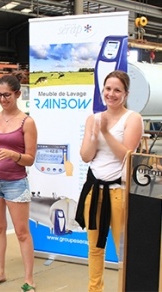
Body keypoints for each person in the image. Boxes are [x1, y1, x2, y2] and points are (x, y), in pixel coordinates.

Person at [77, 70, 143, 292]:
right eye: (107, 89)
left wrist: (105, 132)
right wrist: (95, 134)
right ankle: (94, 289)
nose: (111, 94)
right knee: (95, 247)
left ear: (125, 93)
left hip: (119, 193)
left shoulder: (132, 118)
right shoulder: (93, 118)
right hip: (94, 191)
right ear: (102, 90)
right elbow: (86, 156)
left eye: (117, 90)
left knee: (124, 251)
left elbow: (127, 155)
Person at [0, 74, 38, 291]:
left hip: (15, 182)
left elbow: (30, 158)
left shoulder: (27, 122)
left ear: (18, 94)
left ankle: (29, 279)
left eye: (7, 95)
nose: (2, 99)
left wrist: (13, 155)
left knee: (22, 232)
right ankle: (0, 272)